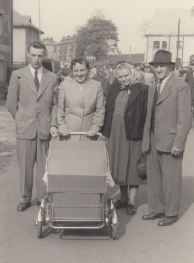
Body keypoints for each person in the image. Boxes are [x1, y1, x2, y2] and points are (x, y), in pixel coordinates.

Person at [7, 41, 59, 212]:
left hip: (45, 129)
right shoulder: (18, 75)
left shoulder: (52, 77)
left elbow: (55, 104)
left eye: (40, 55)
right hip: (25, 129)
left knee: (44, 167)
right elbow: (11, 103)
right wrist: (21, 118)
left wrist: (52, 123)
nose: (36, 59)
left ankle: (43, 198)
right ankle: (25, 198)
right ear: (28, 54)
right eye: (33, 55)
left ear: (44, 56)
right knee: (25, 166)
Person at [142, 50, 192, 226]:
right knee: (154, 177)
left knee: (171, 178)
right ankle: (157, 209)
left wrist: (179, 143)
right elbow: (149, 116)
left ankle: (171, 213)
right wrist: (145, 140)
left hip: (171, 141)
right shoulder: (152, 88)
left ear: (171, 67)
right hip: (153, 138)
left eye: (162, 65)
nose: (158, 69)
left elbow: (185, 119)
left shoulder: (180, 87)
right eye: (156, 66)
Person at [102, 63, 148, 215]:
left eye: (126, 76)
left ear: (132, 73)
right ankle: (123, 199)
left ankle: (132, 202)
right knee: (120, 165)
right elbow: (108, 110)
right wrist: (105, 131)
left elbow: (146, 113)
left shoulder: (142, 89)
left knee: (132, 167)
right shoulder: (113, 89)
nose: (123, 79)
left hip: (133, 131)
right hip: (115, 132)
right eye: (120, 77)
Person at [58, 58, 105, 140]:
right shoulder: (64, 85)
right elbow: (60, 109)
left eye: (82, 70)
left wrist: (95, 128)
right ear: (72, 72)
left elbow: (100, 110)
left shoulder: (97, 86)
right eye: (76, 71)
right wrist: (62, 127)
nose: (79, 74)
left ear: (88, 70)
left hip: (89, 133)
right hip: (69, 133)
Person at [184, 62, 194, 127]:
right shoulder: (189, 73)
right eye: (192, 65)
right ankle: (189, 124)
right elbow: (185, 83)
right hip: (190, 94)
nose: (192, 67)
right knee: (189, 110)